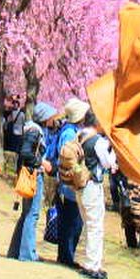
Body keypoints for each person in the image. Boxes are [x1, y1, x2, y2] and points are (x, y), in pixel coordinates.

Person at [8, 102, 55, 261]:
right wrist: (42, 163)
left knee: (26, 214)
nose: (52, 120)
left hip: (28, 174)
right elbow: (26, 153)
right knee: (32, 214)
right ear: (44, 117)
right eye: (50, 117)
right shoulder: (35, 131)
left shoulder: (30, 129)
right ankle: (27, 254)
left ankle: (16, 251)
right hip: (34, 175)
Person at [74, 112, 113, 279]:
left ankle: (89, 262)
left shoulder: (79, 135)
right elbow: (107, 163)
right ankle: (92, 265)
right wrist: (113, 150)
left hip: (80, 185)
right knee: (95, 226)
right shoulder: (98, 141)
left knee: (88, 224)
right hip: (92, 186)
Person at [49, 98, 86, 265]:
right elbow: (67, 158)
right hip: (68, 184)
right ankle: (66, 257)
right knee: (73, 222)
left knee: (69, 221)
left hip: (64, 182)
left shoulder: (67, 129)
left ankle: (66, 256)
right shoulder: (70, 133)